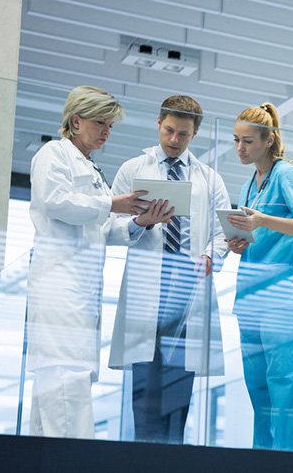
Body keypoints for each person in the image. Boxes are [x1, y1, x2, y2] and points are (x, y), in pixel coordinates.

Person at [27, 85, 173, 439]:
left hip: (82, 288)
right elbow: (55, 202)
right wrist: (111, 204)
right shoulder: (54, 154)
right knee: (66, 380)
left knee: (60, 388)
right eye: (100, 123)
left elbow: (105, 230)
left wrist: (140, 221)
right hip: (59, 285)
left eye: (110, 125)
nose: (106, 131)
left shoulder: (92, 170)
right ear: (75, 121)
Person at [108, 95, 231, 444]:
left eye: (184, 135)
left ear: (195, 135)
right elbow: (109, 228)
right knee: (145, 396)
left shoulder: (210, 179)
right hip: (150, 290)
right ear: (159, 122)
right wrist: (141, 224)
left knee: (179, 395)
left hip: (187, 290)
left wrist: (210, 256)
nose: (174, 140)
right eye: (170, 130)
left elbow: (221, 233)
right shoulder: (134, 169)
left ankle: (171, 458)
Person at [227, 102, 293, 451]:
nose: (240, 148)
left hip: (282, 296)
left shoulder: (288, 175)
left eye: (248, 141)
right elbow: (257, 235)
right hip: (250, 295)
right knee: (258, 386)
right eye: (236, 140)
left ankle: (292, 460)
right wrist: (240, 242)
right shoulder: (248, 186)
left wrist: (263, 221)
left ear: (269, 140)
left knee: (285, 382)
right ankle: (263, 458)